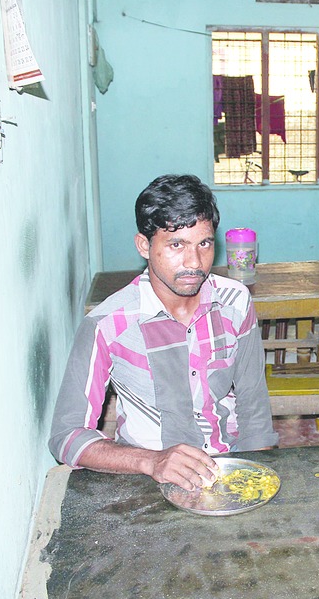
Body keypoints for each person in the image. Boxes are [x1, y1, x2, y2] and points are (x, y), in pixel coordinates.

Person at [49, 174, 278, 491]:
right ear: (144, 245)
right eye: (176, 245)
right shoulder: (107, 324)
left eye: (204, 243)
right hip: (146, 480)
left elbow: (254, 408)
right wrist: (151, 461)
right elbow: (67, 436)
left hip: (228, 465)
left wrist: (251, 480)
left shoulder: (235, 302)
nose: (194, 262)